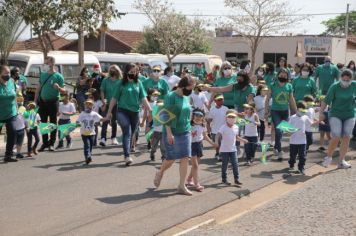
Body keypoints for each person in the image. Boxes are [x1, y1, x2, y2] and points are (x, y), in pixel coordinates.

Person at [153, 76, 196, 196]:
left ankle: (181, 186)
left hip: (185, 131)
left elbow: (187, 113)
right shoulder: (170, 96)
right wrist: (169, 133)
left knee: (185, 157)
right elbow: (165, 115)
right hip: (172, 131)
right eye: (190, 87)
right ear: (183, 86)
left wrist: (190, 127)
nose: (191, 90)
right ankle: (160, 171)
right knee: (171, 159)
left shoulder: (186, 97)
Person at [106, 63, 151, 166]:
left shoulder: (138, 83)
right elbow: (114, 99)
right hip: (122, 111)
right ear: (126, 72)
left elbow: (143, 98)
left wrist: (149, 108)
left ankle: (128, 152)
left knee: (132, 133)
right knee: (127, 130)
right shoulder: (120, 84)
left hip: (135, 112)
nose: (134, 74)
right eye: (131, 72)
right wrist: (109, 112)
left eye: (135, 72)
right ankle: (127, 156)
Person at [320, 69, 356, 169]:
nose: (345, 82)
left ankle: (341, 161)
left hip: (350, 114)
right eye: (343, 80)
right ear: (340, 78)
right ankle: (328, 157)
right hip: (336, 114)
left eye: (347, 80)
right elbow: (326, 101)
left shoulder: (354, 85)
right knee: (336, 136)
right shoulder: (334, 86)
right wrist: (321, 113)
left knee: (346, 136)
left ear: (351, 79)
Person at [264, 68, 297, 161]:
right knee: (278, 130)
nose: (283, 77)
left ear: (287, 77)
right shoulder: (272, 85)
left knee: (281, 131)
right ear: (277, 75)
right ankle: (279, 150)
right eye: (281, 75)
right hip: (275, 111)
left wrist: (296, 110)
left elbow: (291, 99)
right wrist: (266, 110)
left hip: (285, 111)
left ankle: (276, 147)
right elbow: (267, 99)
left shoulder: (289, 86)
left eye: (285, 76)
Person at [34, 56, 66, 152]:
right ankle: (45, 143)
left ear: (52, 63)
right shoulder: (43, 74)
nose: (45, 65)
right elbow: (38, 88)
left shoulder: (59, 76)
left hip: (53, 102)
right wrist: (35, 100)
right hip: (43, 102)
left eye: (47, 63)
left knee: (52, 123)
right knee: (43, 123)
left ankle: (51, 144)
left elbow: (64, 91)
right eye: (44, 63)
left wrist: (59, 88)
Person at [186, 108, 216, 192]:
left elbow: (205, 136)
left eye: (200, 116)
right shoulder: (189, 125)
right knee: (195, 165)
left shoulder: (203, 125)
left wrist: (212, 143)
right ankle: (197, 184)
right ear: (193, 116)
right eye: (196, 115)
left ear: (203, 117)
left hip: (199, 145)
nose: (198, 117)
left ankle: (189, 179)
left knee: (195, 166)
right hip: (191, 146)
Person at [215, 110, 248, 186]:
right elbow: (218, 135)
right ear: (226, 118)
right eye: (229, 117)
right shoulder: (223, 127)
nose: (231, 118)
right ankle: (224, 179)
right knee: (225, 165)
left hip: (233, 149)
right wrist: (216, 141)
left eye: (233, 117)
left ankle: (236, 179)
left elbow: (236, 137)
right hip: (224, 150)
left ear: (235, 118)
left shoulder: (236, 127)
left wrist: (243, 140)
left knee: (235, 164)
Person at [288, 101, 313, 175]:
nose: (303, 112)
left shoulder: (305, 117)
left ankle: (301, 168)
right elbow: (287, 129)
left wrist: (319, 122)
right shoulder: (292, 118)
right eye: (302, 110)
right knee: (293, 155)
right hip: (293, 141)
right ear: (298, 109)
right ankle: (291, 164)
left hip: (303, 141)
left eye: (304, 111)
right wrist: (290, 131)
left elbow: (311, 125)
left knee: (302, 155)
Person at [100, 65, 122, 146]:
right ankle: (103, 138)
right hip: (107, 103)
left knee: (114, 121)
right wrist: (103, 102)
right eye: (111, 70)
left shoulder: (120, 80)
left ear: (117, 71)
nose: (113, 72)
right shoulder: (106, 80)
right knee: (105, 120)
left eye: (114, 70)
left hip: (117, 104)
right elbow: (102, 91)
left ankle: (113, 138)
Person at [77, 99, 104, 165]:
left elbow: (101, 119)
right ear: (85, 105)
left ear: (93, 106)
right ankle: (87, 157)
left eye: (90, 104)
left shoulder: (94, 114)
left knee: (91, 145)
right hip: (84, 133)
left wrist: (107, 118)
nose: (88, 106)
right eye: (87, 104)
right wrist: (78, 123)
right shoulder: (82, 114)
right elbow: (78, 121)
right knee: (87, 145)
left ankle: (89, 156)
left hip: (92, 133)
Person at [0, 65, 18, 162]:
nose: (8, 75)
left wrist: (17, 108)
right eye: (5, 73)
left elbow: (14, 95)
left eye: (9, 73)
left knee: (12, 132)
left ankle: (8, 155)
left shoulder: (11, 82)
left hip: (11, 112)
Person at [206, 94, 229, 161]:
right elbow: (210, 120)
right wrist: (208, 130)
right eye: (219, 100)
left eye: (222, 99)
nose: (221, 101)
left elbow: (229, 118)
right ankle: (217, 153)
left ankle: (221, 155)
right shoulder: (212, 109)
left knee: (222, 144)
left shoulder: (226, 108)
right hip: (214, 130)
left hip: (223, 130)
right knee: (217, 145)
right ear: (215, 101)